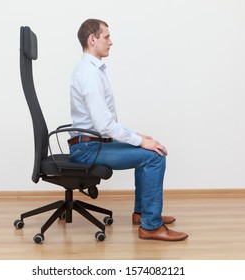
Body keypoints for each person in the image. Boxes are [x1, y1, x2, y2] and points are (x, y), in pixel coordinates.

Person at [68, 18, 188, 241]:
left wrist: (138, 137)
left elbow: (105, 122)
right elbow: (104, 125)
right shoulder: (89, 74)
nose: (111, 42)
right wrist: (140, 142)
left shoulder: (92, 69)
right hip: (87, 149)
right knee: (153, 156)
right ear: (92, 39)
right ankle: (150, 226)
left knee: (148, 149)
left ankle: (143, 214)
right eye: (106, 37)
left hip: (93, 143)